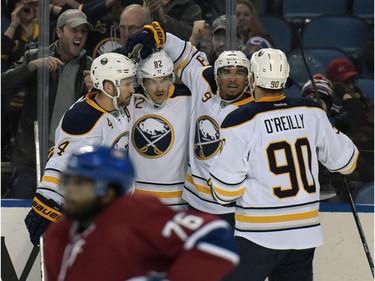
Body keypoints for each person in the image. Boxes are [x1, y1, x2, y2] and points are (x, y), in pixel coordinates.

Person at [208, 48, 359, 281]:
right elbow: (347, 163)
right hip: (303, 232)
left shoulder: (241, 119)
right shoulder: (310, 111)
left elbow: (223, 191)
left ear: (253, 79)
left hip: (257, 234)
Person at [122, 21, 253, 228]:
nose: (233, 78)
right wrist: (161, 36)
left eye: (239, 72)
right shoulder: (202, 86)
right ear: (216, 75)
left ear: (249, 78)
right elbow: (188, 56)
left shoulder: (256, 112)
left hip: (232, 209)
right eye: (227, 72)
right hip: (194, 205)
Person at [43, 145, 239, 281]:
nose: (69, 191)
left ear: (108, 192)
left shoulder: (133, 213)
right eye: (67, 181)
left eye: (80, 184)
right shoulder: (59, 232)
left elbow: (216, 237)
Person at [24, 52, 137, 246]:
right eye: (126, 84)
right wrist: (47, 203)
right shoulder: (84, 120)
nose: (132, 89)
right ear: (109, 87)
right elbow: (62, 162)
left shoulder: (118, 105)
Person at [1, 9, 93, 199]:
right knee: (22, 217)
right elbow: (4, 85)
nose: (80, 35)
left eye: (83, 31)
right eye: (74, 30)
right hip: (31, 157)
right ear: (59, 32)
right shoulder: (35, 56)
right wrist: (32, 67)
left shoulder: (91, 67)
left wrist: (96, 90)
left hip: (70, 161)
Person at [129, 50, 191, 210]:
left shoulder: (189, 100)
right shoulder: (130, 102)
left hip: (178, 203)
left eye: (164, 80)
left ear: (172, 78)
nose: (159, 88)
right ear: (142, 82)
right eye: (152, 81)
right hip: (137, 202)